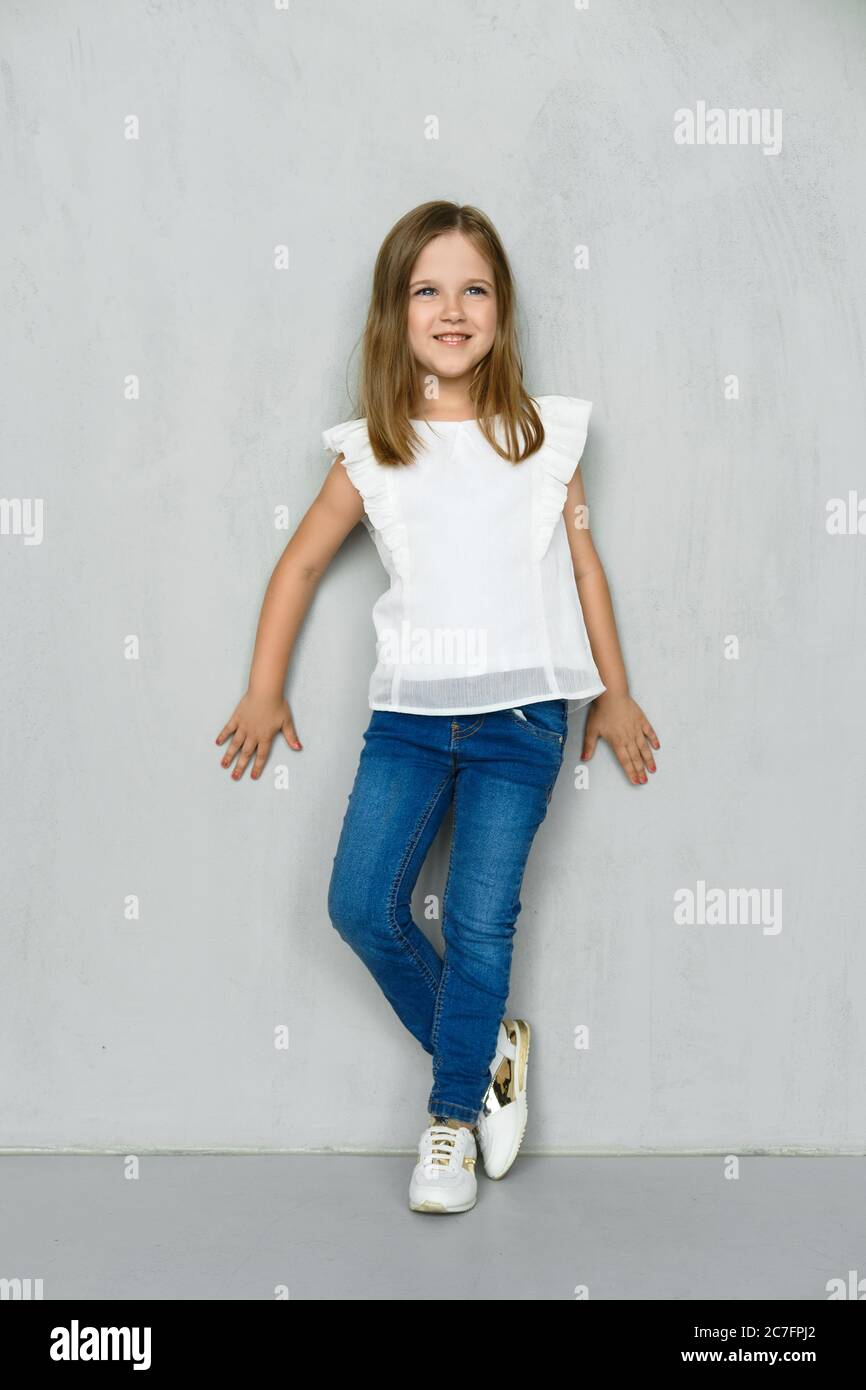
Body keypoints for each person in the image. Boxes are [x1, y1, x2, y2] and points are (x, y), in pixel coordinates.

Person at [216, 200, 660, 1214]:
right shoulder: (371, 450)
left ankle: (450, 1119)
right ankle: (487, 1042)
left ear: (500, 310)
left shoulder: (542, 436)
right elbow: (298, 565)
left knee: (476, 920)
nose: (451, 308)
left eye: (473, 289)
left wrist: (615, 692)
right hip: (409, 721)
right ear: (393, 313)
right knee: (360, 906)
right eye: (427, 289)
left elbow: (584, 569)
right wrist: (261, 684)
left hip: (521, 724)